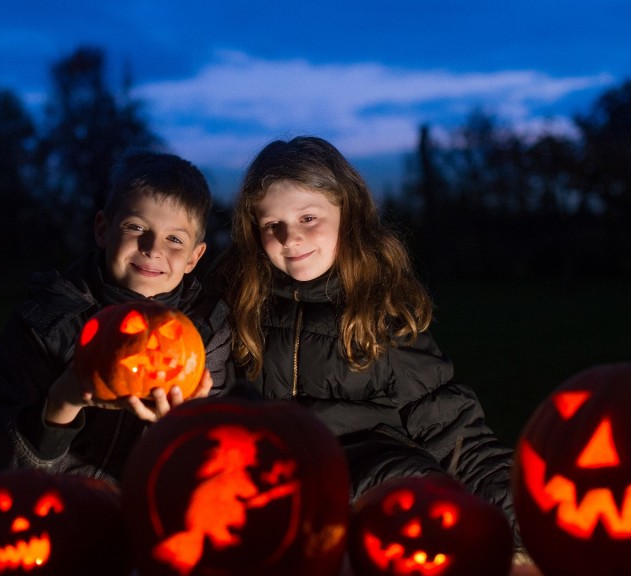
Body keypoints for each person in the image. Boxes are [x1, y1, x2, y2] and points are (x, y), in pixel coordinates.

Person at [211, 135, 523, 550]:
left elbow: (449, 426)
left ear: (347, 212)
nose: (290, 238)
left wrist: (525, 514)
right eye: (273, 226)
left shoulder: (380, 310)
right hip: (274, 482)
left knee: (418, 493)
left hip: (370, 472)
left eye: (308, 218)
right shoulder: (239, 306)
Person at [0, 150, 230, 483]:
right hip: (50, 506)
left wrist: (178, 432)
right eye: (136, 227)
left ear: (194, 257)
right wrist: (61, 402)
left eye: (174, 238)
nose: (152, 247)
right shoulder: (46, 321)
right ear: (103, 229)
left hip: (136, 513)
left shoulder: (207, 331)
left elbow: (212, 475)